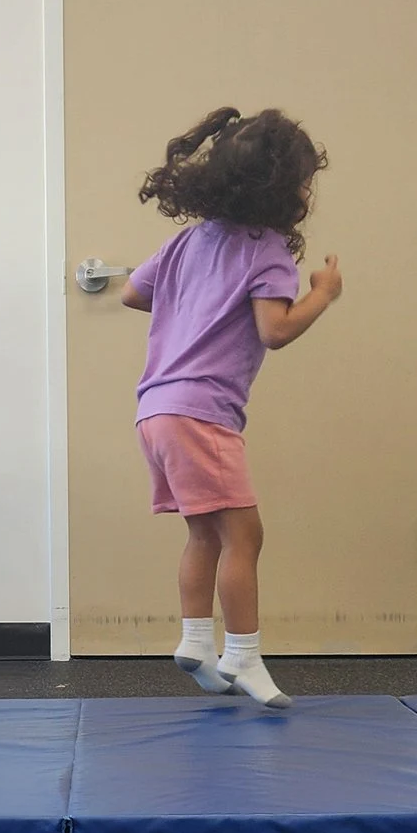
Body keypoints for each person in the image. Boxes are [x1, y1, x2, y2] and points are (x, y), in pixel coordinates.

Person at [121, 106, 341, 708]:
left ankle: (196, 640)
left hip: (155, 410)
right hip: (202, 412)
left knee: (206, 534)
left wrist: (188, 308)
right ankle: (243, 651)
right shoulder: (265, 248)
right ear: (283, 190)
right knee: (246, 535)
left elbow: (130, 292)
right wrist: (322, 295)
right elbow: (275, 329)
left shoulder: (187, 240)